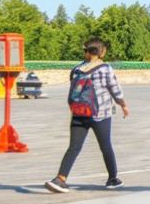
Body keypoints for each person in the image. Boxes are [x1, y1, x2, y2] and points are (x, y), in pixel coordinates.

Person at [45, 38, 128, 192]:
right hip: (100, 114)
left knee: (74, 147)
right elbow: (115, 89)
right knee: (106, 146)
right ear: (101, 52)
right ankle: (112, 179)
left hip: (78, 113)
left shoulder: (76, 69)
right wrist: (123, 104)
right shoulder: (105, 68)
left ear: (87, 51)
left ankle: (60, 179)